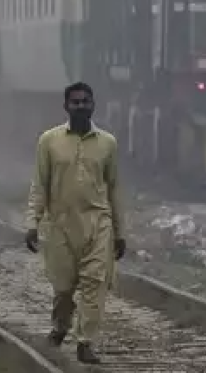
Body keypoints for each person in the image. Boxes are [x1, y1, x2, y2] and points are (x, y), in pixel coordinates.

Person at [24, 82, 127, 364]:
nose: (80, 106)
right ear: (66, 106)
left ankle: (85, 342)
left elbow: (114, 187)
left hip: (98, 223)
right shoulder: (49, 141)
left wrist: (120, 231)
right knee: (64, 287)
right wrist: (32, 221)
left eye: (85, 102)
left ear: (93, 105)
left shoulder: (108, 143)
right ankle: (60, 328)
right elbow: (39, 184)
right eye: (75, 102)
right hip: (60, 225)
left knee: (95, 283)